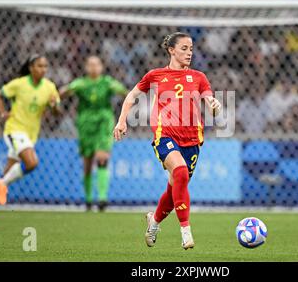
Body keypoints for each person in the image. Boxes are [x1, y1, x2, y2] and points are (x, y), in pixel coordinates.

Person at [114, 32, 221, 250]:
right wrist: (121, 121)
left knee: (174, 191)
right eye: (184, 48)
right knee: (180, 171)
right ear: (171, 50)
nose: (189, 53)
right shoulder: (155, 75)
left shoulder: (199, 77)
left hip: (192, 139)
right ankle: (186, 232)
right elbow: (132, 96)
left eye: (191, 49)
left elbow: (208, 96)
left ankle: (153, 222)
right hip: (165, 136)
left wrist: (213, 104)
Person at [0, 54, 61, 220]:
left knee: (8, 173)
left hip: (31, 134)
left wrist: (53, 106)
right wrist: (2, 113)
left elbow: (57, 113)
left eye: (45, 66)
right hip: (14, 129)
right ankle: (1, 185)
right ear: (31, 68)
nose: (43, 69)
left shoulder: (50, 87)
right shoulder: (20, 84)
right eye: (39, 66)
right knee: (31, 163)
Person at [60, 56, 127, 211]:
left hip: (104, 122)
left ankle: (102, 199)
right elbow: (64, 92)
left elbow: (124, 92)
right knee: (87, 163)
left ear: (102, 67)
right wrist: (57, 96)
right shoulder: (81, 83)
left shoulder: (107, 82)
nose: (94, 67)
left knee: (102, 158)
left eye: (97, 64)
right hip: (85, 124)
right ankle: (89, 200)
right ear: (86, 67)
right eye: (90, 64)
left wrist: (130, 96)